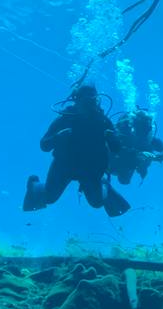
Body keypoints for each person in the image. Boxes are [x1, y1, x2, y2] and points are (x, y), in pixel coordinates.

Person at [24, 84, 131, 217]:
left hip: (90, 169)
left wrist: (113, 139)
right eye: (85, 100)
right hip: (64, 166)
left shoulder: (103, 122)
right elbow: (44, 145)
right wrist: (57, 138)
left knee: (97, 203)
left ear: (96, 100)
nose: (88, 105)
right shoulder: (65, 119)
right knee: (48, 198)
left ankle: (104, 184)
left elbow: (116, 149)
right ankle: (34, 183)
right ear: (77, 100)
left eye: (92, 100)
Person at [110, 110, 163, 185]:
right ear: (133, 127)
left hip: (131, 164)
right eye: (140, 129)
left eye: (146, 130)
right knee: (123, 179)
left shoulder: (149, 139)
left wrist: (158, 156)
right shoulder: (122, 135)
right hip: (116, 162)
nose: (143, 134)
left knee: (125, 180)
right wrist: (137, 154)